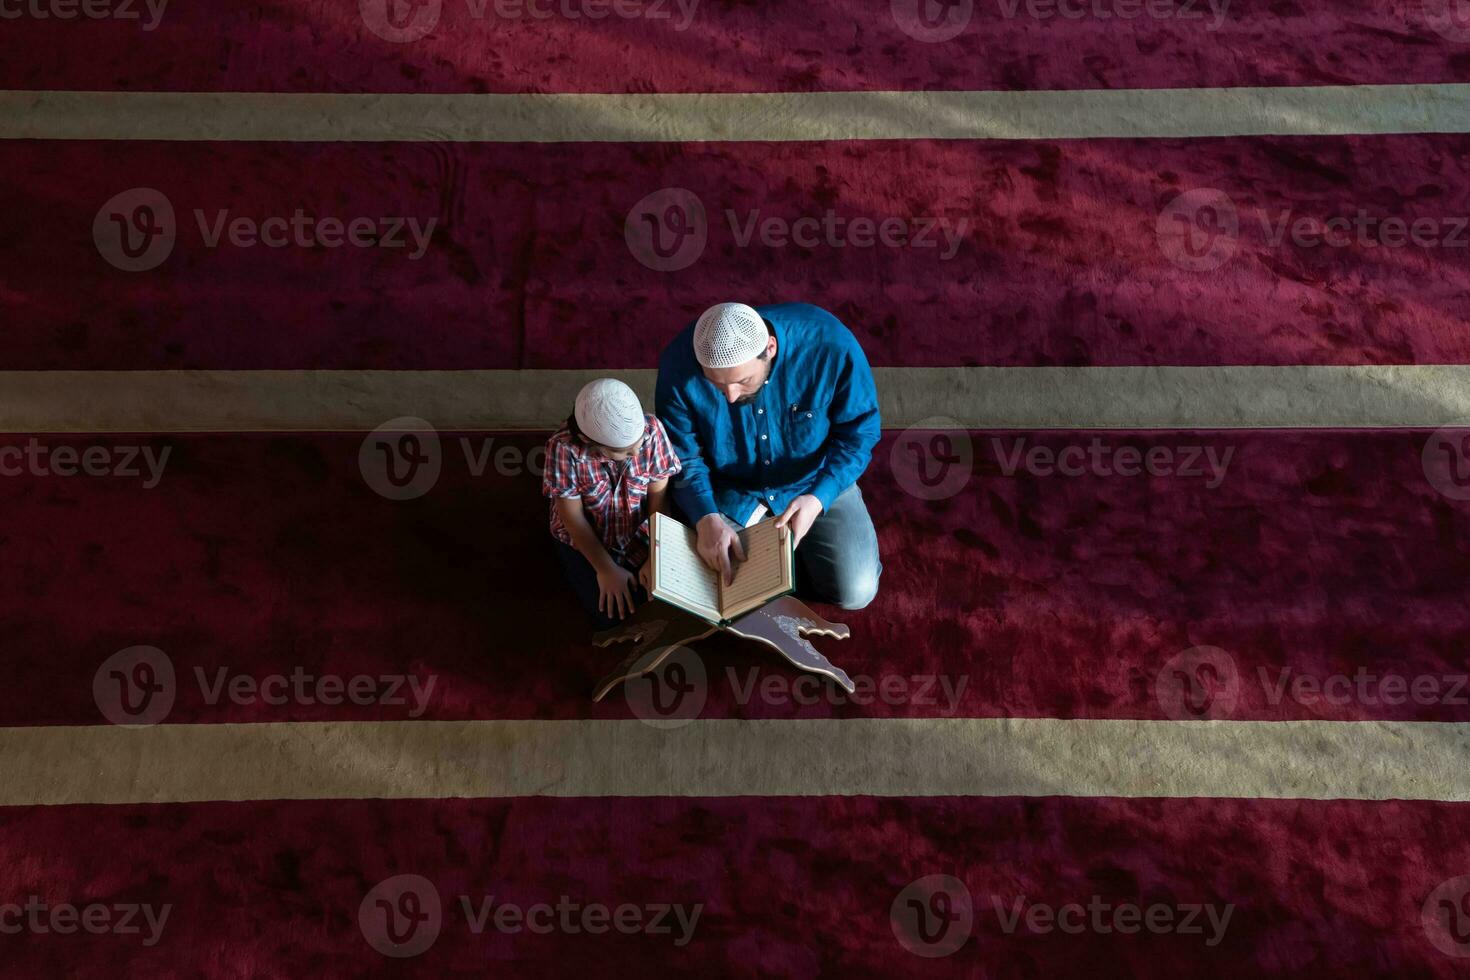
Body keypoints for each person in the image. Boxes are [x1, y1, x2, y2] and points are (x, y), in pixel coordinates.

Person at [655, 302, 882, 610]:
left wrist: (819, 498)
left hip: (813, 479)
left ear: (770, 348)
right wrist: (705, 517)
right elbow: (685, 456)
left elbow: (858, 435)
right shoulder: (677, 364)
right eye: (716, 385)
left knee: (857, 591)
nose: (732, 396)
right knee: (715, 593)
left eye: (743, 381)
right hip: (731, 490)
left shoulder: (830, 344)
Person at [542, 378, 681, 628]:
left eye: (639, 445)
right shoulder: (563, 447)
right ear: (588, 441)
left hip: (638, 533)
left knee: (662, 600)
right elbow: (572, 519)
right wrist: (605, 569)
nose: (637, 453)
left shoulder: (652, 431)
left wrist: (655, 553)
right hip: (588, 537)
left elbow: (658, 500)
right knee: (611, 614)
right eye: (626, 452)